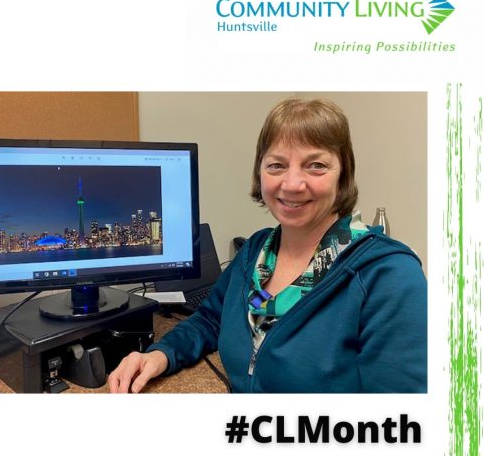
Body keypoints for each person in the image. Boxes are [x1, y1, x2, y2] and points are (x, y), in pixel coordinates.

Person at [108, 98, 427, 394]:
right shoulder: (256, 252)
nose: (292, 183)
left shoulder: (388, 276)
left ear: (343, 176)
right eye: (276, 165)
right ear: (260, 173)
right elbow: (209, 320)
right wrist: (160, 355)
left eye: (316, 165)